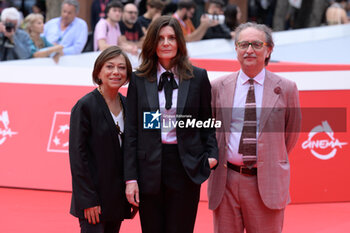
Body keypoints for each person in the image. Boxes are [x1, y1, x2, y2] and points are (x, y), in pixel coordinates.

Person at [124, 15, 218, 233]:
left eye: (172, 38)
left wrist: (211, 156)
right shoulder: (139, 79)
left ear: (179, 42)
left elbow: (207, 122)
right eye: (160, 38)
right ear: (152, 43)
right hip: (149, 167)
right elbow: (132, 132)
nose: (166, 43)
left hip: (186, 165)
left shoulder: (198, 77)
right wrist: (130, 178)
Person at [208, 22, 301, 233]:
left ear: (269, 50)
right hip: (226, 181)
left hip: (266, 181)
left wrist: (268, 157)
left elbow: (290, 134)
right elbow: (211, 131)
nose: (249, 50)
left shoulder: (286, 88)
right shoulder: (218, 87)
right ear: (236, 49)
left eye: (257, 44)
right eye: (243, 44)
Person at [69, 46, 133, 233]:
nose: (116, 72)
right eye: (109, 67)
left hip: (117, 200)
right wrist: (88, 199)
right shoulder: (85, 106)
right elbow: (78, 157)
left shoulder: (128, 105)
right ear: (98, 72)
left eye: (121, 68)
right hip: (93, 200)